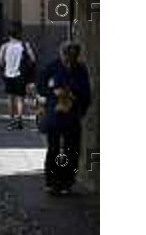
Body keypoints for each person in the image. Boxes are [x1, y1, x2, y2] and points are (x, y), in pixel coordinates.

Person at [37, 41, 91, 195]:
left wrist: (76, 99)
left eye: (72, 57)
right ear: (61, 54)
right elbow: (41, 86)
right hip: (54, 115)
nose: (68, 60)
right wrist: (53, 92)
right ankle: (52, 182)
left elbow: (86, 94)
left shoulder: (80, 69)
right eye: (66, 56)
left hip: (72, 116)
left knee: (71, 150)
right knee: (54, 149)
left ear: (76, 56)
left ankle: (67, 182)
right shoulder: (52, 67)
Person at [0, 25, 36, 130]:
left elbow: (0, 62)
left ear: (9, 35)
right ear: (19, 35)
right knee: (20, 99)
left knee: (10, 99)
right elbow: (33, 59)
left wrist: (7, 64)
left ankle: (11, 120)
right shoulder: (24, 45)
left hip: (8, 74)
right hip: (20, 75)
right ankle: (19, 120)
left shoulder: (4, 46)